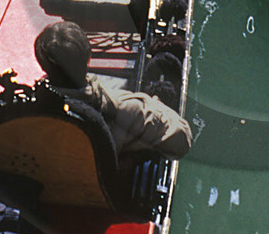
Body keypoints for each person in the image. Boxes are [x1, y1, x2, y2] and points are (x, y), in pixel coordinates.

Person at [34, 21, 193, 160]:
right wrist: (156, 105)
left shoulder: (29, 109)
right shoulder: (124, 108)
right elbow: (182, 138)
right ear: (89, 57)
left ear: (42, 65)